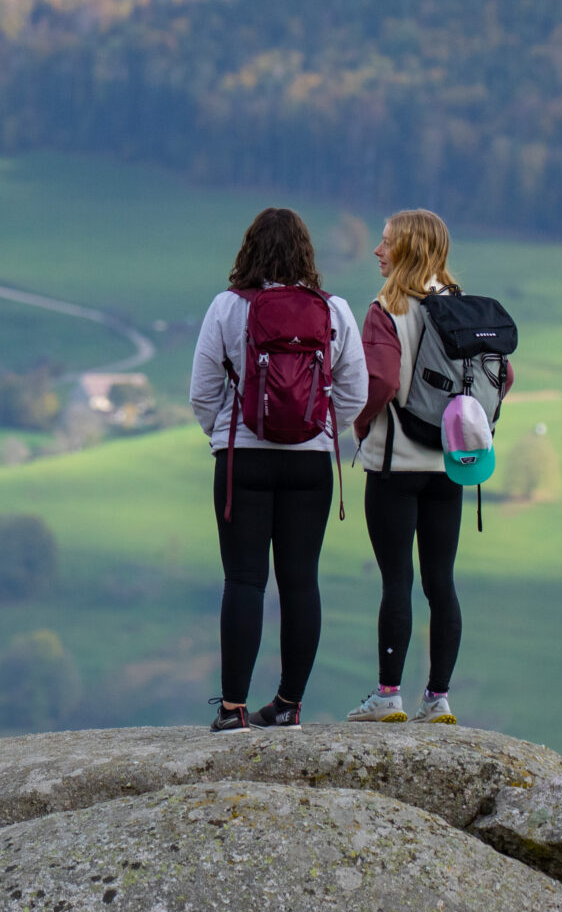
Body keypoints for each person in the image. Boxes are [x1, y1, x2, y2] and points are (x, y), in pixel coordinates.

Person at [190, 207, 367, 733]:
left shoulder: (227, 308)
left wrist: (225, 433)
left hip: (242, 459)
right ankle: (288, 704)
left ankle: (232, 709)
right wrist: (317, 429)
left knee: (244, 579)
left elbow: (202, 393)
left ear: (248, 249)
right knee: (300, 581)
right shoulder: (335, 310)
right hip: (310, 465)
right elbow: (354, 392)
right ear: (307, 254)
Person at [346, 209, 508, 726]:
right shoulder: (464, 311)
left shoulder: (386, 310)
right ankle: (437, 700)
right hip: (451, 462)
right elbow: (502, 379)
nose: (377, 250)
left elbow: (382, 382)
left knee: (397, 579)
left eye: (387, 242)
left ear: (409, 251)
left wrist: (359, 423)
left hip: (395, 464)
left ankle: (388, 696)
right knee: (442, 580)